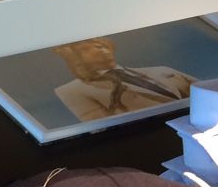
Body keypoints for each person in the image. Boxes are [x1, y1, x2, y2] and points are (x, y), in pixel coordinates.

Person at [52, 37, 196, 123]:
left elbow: (206, 90)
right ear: (74, 57)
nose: (99, 49)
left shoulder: (161, 70)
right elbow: (102, 125)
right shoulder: (72, 90)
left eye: (100, 45)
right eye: (86, 49)